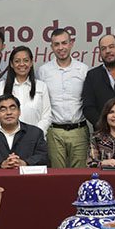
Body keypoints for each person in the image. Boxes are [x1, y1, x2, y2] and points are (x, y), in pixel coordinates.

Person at [37, 28, 90, 168]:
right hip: (54, 131)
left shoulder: (83, 69)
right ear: (52, 47)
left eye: (64, 43)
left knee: (80, 175)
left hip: (79, 130)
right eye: (56, 44)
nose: (61, 48)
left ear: (71, 44)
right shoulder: (43, 71)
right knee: (56, 174)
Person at [0, 95, 49, 168]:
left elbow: (43, 157)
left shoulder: (35, 133)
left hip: (26, 176)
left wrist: (25, 163)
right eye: (3, 110)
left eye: (12, 108)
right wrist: (0, 164)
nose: (9, 113)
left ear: (19, 111)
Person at [0, 46, 51, 134]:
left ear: (31, 63)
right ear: (11, 64)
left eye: (26, 60)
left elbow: (47, 116)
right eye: (17, 61)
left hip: (35, 137)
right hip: (8, 137)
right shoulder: (1, 86)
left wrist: (35, 134)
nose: (22, 64)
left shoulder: (41, 86)